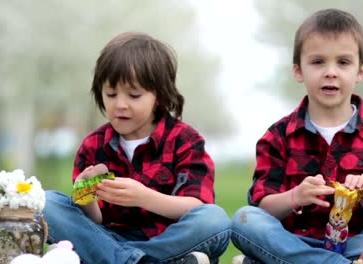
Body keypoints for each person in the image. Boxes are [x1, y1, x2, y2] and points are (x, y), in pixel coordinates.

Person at [231, 8, 363, 264]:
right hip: (293, 240)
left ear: (360, 71)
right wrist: (295, 196)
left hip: (356, 242)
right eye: (318, 62)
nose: (330, 72)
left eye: (343, 62)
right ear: (298, 71)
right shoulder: (278, 136)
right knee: (245, 220)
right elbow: (263, 206)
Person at [43, 32, 231, 264]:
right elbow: (95, 221)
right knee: (47, 202)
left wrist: (145, 197)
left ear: (159, 97)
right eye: (111, 94)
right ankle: (142, 261)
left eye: (134, 95)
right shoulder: (93, 144)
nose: (120, 105)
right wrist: (86, 195)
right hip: (107, 236)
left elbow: (195, 205)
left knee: (214, 220)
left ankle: (117, 259)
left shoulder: (185, 140)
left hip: (166, 238)